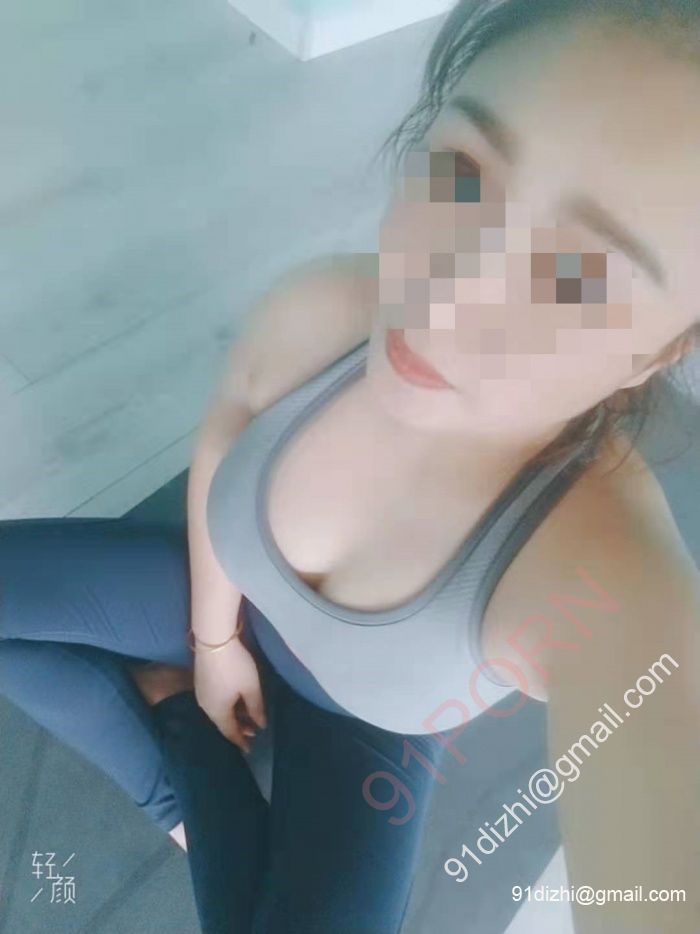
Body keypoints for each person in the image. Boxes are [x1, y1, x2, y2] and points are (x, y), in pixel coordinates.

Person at [2, 0, 700, 930]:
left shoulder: (605, 569)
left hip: (362, 730)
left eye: (578, 277)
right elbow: (223, 434)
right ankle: (179, 767)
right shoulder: (323, 311)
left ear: (659, 352)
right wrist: (214, 645)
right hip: (211, 607)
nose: (446, 295)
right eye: (462, 177)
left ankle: (185, 765)